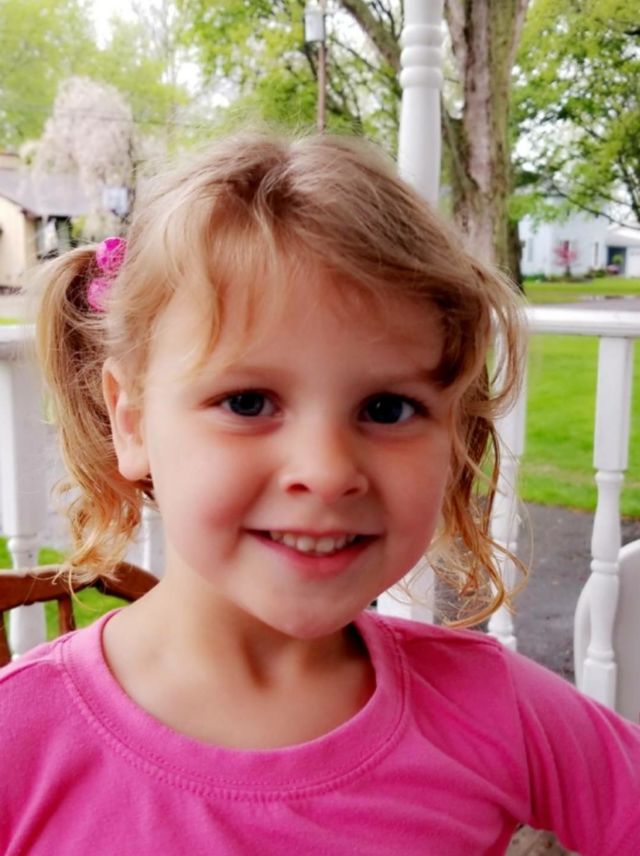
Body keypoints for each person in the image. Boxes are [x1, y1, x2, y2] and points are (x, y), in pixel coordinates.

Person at [1, 132, 638, 855]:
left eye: (387, 408)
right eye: (247, 402)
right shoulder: (21, 741)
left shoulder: (493, 707)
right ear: (132, 420)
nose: (329, 470)